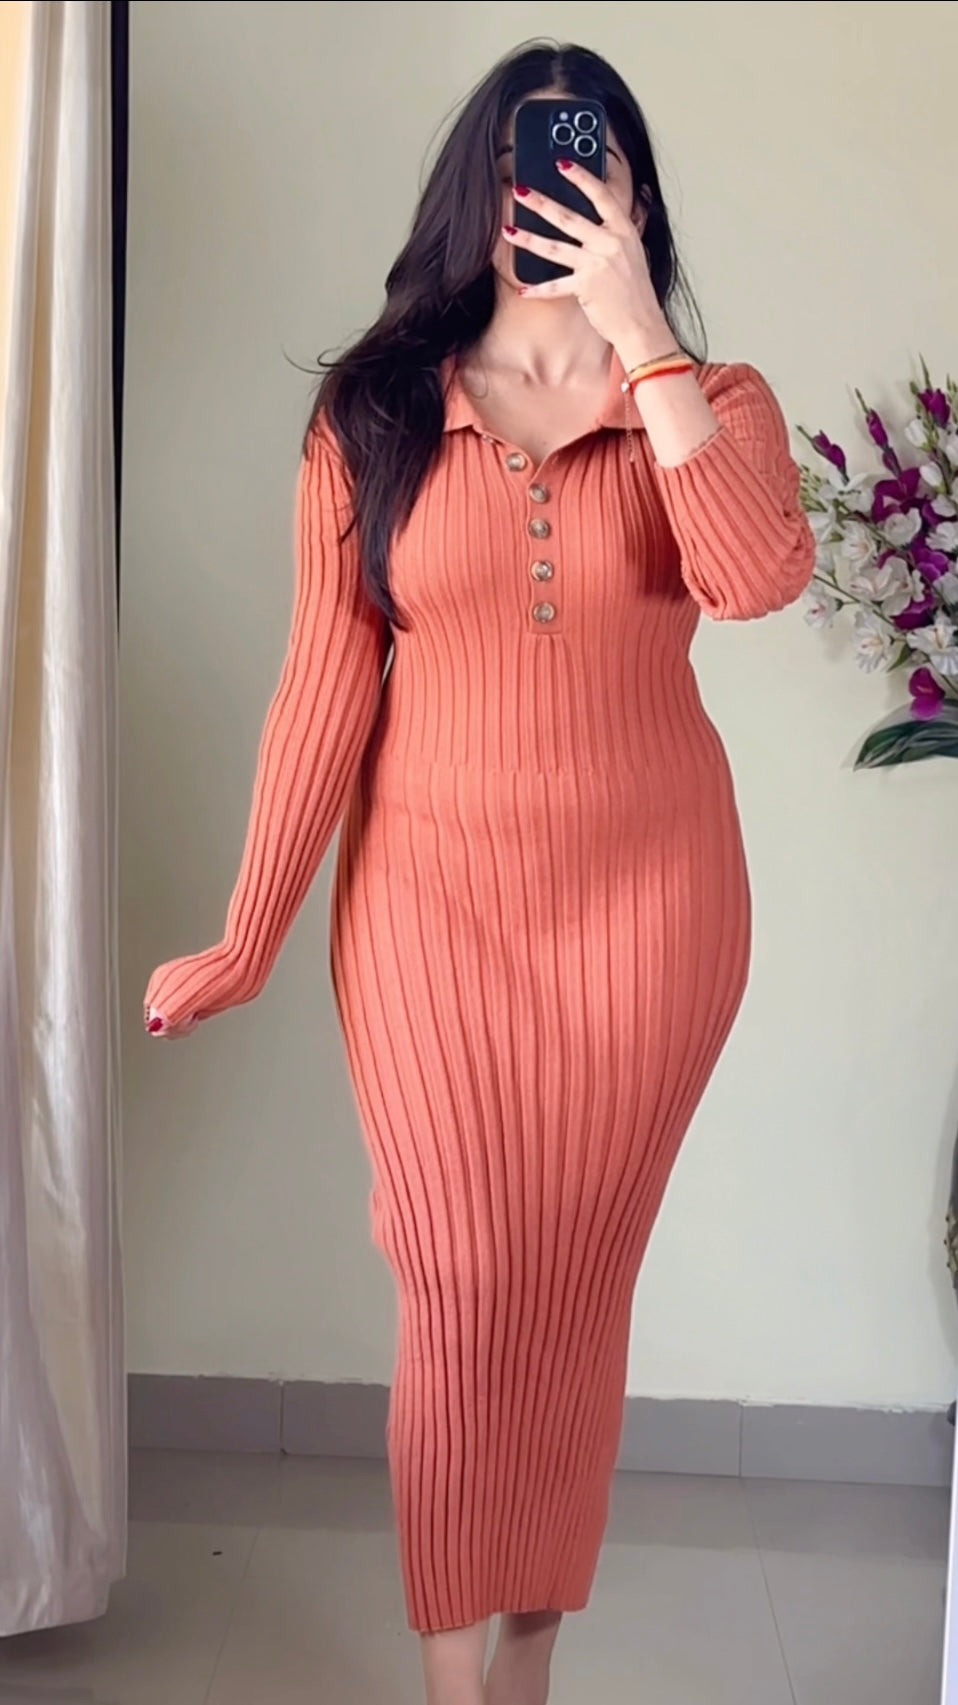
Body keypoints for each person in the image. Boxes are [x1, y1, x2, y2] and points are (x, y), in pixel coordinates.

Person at [144, 39, 813, 1705]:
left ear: (633, 196)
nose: (551, 194)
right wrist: (245, 934)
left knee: (569, 1299)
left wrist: (643, 339)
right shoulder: (373, 412)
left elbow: (750, 578)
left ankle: (521, 1668)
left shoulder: (712, 405)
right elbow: (322, 686)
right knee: (456, 1287)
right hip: (428, 918)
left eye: (588, 166)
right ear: (476, 190)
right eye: (524, 166)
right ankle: (460, 1690)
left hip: (651, 921)